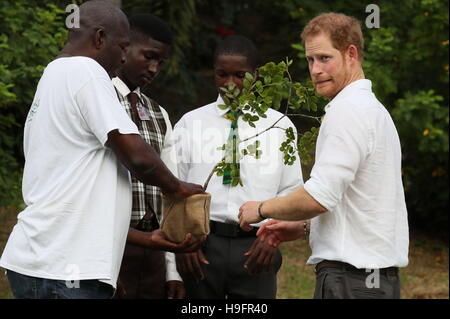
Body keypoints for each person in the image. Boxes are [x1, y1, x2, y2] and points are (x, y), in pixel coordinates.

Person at [0, 0, 204, 299]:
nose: (122, 59)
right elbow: (137, 157)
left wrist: (148, 240)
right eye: (122, 47)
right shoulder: (86, 70)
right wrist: (178, 188)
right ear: (98, 38)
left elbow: (80, 200)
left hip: (40, 263)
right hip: (66, 272)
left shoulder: (53, 75)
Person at [238, 12, 409, 299]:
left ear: (350, 53)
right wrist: (303, 224)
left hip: (350, 280)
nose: (315, 69)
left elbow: (318, 196)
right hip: (374, 281)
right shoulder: (373, 110)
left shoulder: (347, 111)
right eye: (310, 60)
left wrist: (261, 208)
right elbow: (356, 200)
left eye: (325, 58)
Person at [173, 35, 304, 299]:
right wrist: (183, 243)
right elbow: (173, 188)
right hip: (201, 246)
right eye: (222, 74)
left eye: (240, 75)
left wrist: (272, 237)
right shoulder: (191, 123)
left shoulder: (278, 126)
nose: (229, 83)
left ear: (255, 75)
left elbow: (292, 193)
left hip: (257, 246)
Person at [112, 13, 184, 299]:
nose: (154, 68)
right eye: (149, 56)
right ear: (125, 47)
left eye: (161, 62)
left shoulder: (158, 113)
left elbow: (170, 193)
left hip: (153, 247)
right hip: (110, 244)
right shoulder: (99, 98)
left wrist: (172, 270)